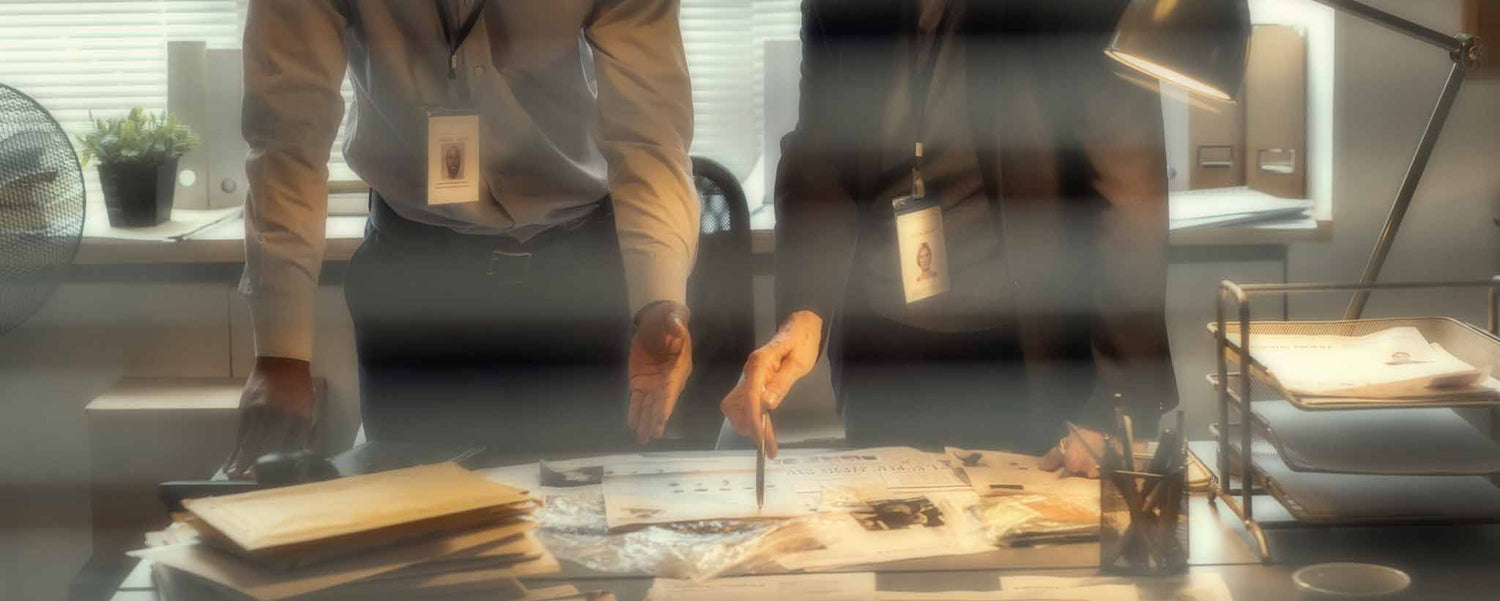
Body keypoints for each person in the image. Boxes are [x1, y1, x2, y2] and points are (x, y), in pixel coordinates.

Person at [223, 0, 699, 478]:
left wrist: (658, 302)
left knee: (585, 509)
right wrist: (280, 354)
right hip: (414, 287)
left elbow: (651, 137)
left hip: (581, 287)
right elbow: (287, 140)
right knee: (412, 509)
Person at [719, 0, 1178, 476]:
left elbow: (1130, 187)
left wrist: (1116, 406)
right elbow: (821, 157)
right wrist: (803, 314)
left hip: (1027, 355)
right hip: (879, 354)